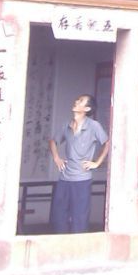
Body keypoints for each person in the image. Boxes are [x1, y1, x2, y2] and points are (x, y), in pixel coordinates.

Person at [48, 93, 108, 234]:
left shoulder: (94, 126)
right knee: (59, 217)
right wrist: (57, 157)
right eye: (77, 99)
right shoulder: (66, 125)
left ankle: (78, 249)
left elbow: (107, 143)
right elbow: (52, 141)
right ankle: (61, 247)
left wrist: (97, 163)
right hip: (64, 178)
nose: (76, 101)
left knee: (79, 218)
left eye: (80, 101)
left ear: (86, 109)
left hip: (82, 180)